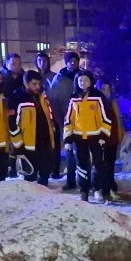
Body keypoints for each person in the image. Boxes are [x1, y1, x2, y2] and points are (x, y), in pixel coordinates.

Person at [64, 70, 111, 202]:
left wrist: (103, 136)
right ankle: (84, 191)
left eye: (85, 80)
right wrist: (68, 138)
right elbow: (68, 119)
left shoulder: (98, 96)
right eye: (80, 80)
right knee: (82, 165)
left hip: (95, 136)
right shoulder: (73, 97)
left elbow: (106, 118)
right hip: (79, 138)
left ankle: (97, 189)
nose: (83, 83)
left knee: (97, 164)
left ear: (91, 81)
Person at [8, 70, 56, 186]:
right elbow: (11, 123)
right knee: (30, 174)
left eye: (39, 84)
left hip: (44, 139)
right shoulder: (17, 98)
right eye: (34, 84)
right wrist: (18, 144)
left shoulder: (42, 95)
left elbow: (48, 115)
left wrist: (52, 131)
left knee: (45, 171)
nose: (37, 87)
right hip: (28, 142)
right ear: (26, 83)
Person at [48, 52, 83, 188]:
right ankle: (71, 180)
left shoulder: (82, 77)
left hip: (82, 122)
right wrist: (59, 120)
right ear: (66, 62)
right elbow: (53, 100)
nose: (73, 63)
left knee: (83, 152)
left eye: (75, 60)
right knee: (69, 152)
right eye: (70, 61)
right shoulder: (59, 79)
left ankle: (84, 180)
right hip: (66, 121)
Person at [98, 81, 123, 196]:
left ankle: (111, 183)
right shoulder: (98, 103)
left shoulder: (113, 102)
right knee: (103, 163)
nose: (106, 91)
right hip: (102, 138)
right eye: (103, 88)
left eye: (108, 88)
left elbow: (118, 118)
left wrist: (121, 133)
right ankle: (103, 186)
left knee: (111, 162)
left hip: (112, 138)